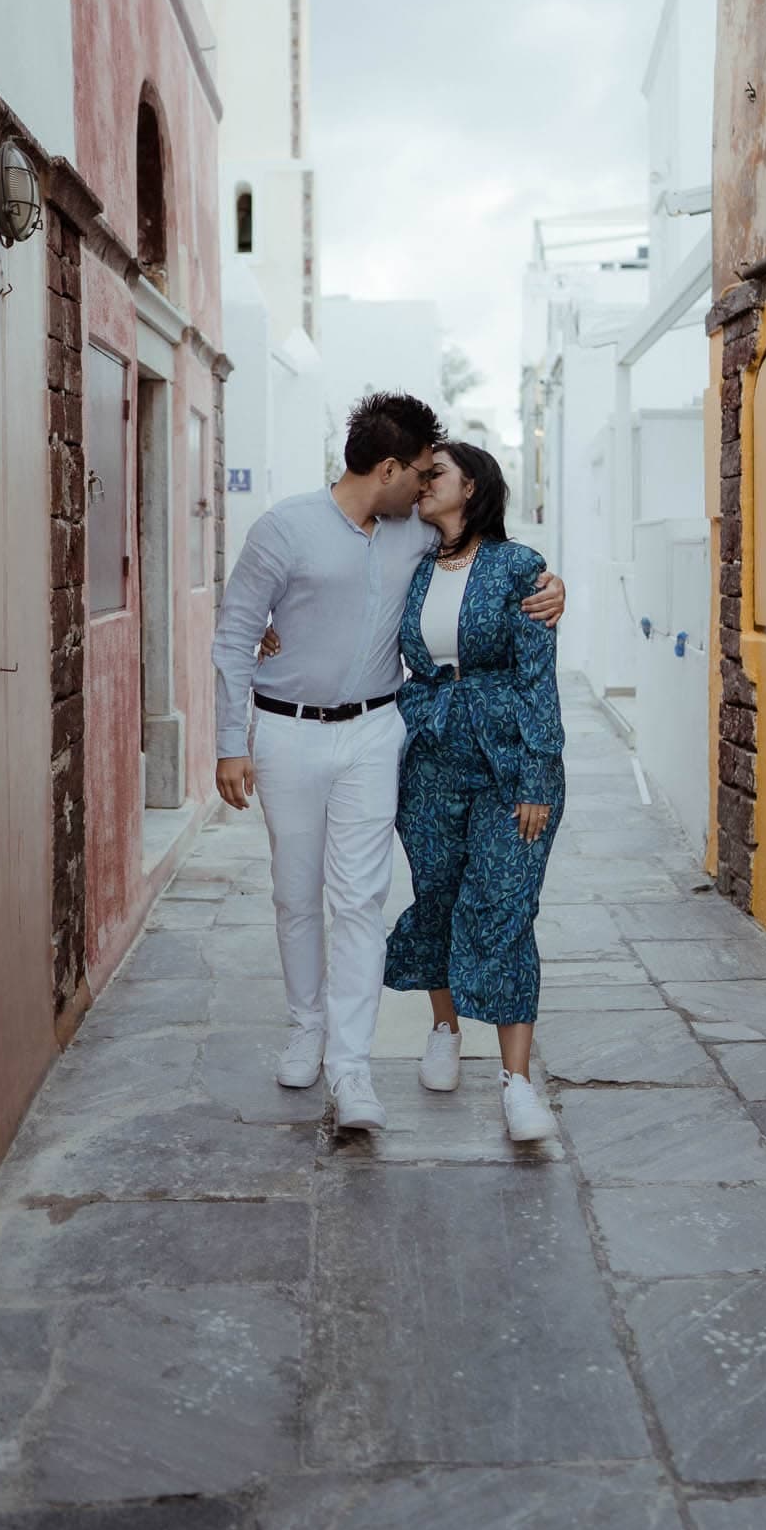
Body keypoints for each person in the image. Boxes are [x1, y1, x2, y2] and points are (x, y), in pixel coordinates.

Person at [212, 393, 564, 1132]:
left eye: (441, 473)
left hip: (377, 732)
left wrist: (551, 589)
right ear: (390, 468)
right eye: (421, 471)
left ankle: (353, 1071)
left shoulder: (420, 537)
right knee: (295, 892)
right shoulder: (287, 528)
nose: (425, 485)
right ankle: (307, 1025)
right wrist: (229, 741)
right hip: (291, 734)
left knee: (362, 899)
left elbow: (496, 590)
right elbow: (237, 630)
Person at [383, 442, 565, 1144]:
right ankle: (442, 1027)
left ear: (473, 487)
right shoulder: (412, 563)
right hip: (428, 751)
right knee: (438, 895)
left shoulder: (517, 566)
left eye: (436, 475)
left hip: (505, 758)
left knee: (503, 905)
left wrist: (536, 777)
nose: (422, 484)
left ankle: (518, 1083)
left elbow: (535, 675)